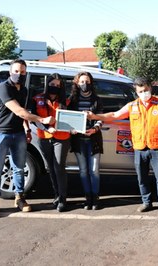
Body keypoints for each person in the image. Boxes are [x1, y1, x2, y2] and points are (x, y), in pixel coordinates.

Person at [87, 77, 158, 218]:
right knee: (142, 178)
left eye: (146, 90)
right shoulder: (132, 106)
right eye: (141, 91)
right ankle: (146, 202)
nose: (144, 93)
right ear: (136, 91)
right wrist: (95, 116)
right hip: (139, 148)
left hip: (157, 148)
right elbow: (114, 115)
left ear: (150, 88)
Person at [0, 59, 55, 218]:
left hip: (18, 133)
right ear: (10, 72)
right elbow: (18, 111)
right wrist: (42, 120)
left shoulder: (24, 90)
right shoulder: (3, 87)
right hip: (1, 133)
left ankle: (20, 199)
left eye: (23, 72)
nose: (19, 74)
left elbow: (23, 113)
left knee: (19, 168)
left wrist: (27, 129)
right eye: (16, 71)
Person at [31, 73, 70, 212]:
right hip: (44, 137)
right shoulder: (37, 98)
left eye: (58, 85)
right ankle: (57, 196)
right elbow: (34, 118)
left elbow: (73, 118)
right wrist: (47, 127)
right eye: (52, 84)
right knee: (51, 168)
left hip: (62, 138)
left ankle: (63, 199)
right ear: (47, 84)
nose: (55, 87)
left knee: (59, 167)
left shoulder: (66, 101)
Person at [68, 72, 104, 210]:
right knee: (83, 171)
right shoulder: (72, 99)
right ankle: (87, 197)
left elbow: (100, 118)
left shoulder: (97, 100)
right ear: (77, 83)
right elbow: (68, 118)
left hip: (93, 139)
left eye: (87, 81)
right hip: (78, 140)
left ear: (91, 82)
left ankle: (95, 198)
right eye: (82, 82)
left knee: (94, 170)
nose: (85, 84)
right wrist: (71, 129)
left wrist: (95, 129)